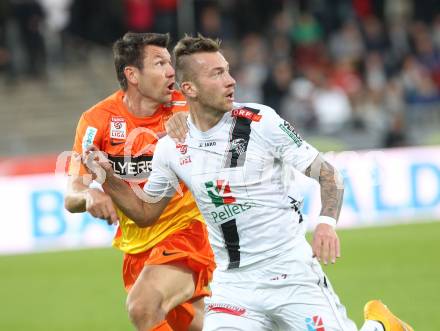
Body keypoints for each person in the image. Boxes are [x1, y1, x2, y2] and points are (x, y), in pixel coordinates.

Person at [86, 35, 414, 331]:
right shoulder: (172, 147)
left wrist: (326, 224)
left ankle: (381, 326)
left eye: (227, 71)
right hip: (233, 287)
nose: (231, 81)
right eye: (216, 74)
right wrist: (107, 178)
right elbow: (144, 213)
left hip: (291, 274)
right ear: (189, 89)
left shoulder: (262, 122)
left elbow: (327, 174)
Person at [64, 32, 216, 331]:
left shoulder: (187, 109)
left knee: (142, 306)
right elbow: (72, 194)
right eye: (159, 63)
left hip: (189, 232)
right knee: (203, 326)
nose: (171, 71)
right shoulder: (98, 121)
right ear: (132, 75)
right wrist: (91, 195)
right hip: (137, 248)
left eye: (169, 63)